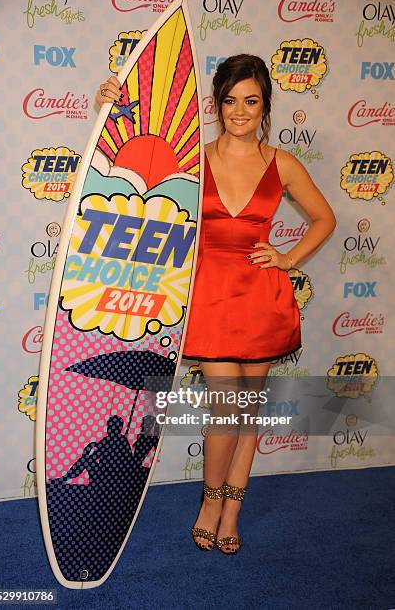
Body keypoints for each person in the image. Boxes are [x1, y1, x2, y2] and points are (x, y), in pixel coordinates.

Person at [96, 54, 336, 555]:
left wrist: (289, 259)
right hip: (208, 296)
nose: (240, 111)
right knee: (226, 410)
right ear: (216, 104)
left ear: (265, 104)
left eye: (251, 100)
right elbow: (125, 169)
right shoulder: (192, 160)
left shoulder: (283, 163)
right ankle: (210, 502)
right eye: (230, 101)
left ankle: (232, 511)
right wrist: (108, 110)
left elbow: (324, 219)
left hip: (262, 299)